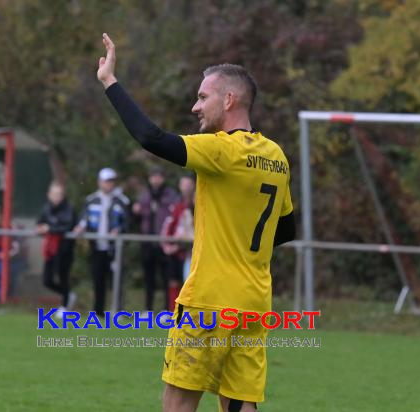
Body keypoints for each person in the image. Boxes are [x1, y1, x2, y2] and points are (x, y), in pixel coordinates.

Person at [97, 34, 296, 412]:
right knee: (240, 405)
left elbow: (151, 138)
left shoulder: (223, 150)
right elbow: (286, 230)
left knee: (178, 403)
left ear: (229, 100)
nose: (195, 106)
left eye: (203, 97)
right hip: (253, 301)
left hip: (209, 300)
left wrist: (110, 81)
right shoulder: (276, 156)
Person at [74, 168, 129, 317]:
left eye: (111, 181)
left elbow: (127, 223)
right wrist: (80, 227)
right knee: (98, 280)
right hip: (96, 247)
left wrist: (119, 230)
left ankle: (118, 311)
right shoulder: (91, 200)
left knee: (116, 280)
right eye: (106, 181)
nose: (109, 184)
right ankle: (98, 312)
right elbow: (84, 219)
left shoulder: (121, 201)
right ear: (99, 182)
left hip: (114, 248)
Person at [133, 166, 179, 315]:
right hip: (147, 243)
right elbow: (136, 219)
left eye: (158, 176)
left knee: (167, 278)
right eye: (153, 176)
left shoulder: (171, 195)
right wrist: (135, 212)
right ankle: (148, 309)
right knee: (149, 279)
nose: (156, 179)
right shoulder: (144, 196)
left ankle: (167, 310)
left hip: (164, 243)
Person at [37, 181, 78, 318]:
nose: (57, 197)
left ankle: (64, 305)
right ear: (49, 195)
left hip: (64, 249)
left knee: (63, 277)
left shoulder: (68, 208)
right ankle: (68, 295)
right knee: (47, 280)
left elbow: (67, 226)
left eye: (59, 194)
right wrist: (40, 228)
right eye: (54, 194)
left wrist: (50, 228)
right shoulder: (46, 208)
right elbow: (40, 221)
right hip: (51, 249)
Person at [161, 175, 196, 312]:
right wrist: (168, 245)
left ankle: (191, 312)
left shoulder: (199, 205)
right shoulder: (176, 205)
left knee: (190, 283)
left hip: (195, 250)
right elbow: (168, 225)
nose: (186, 187)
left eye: (188, 184)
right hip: (178, 250)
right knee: (174, 281)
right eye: (183, 184)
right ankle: (173, 311)